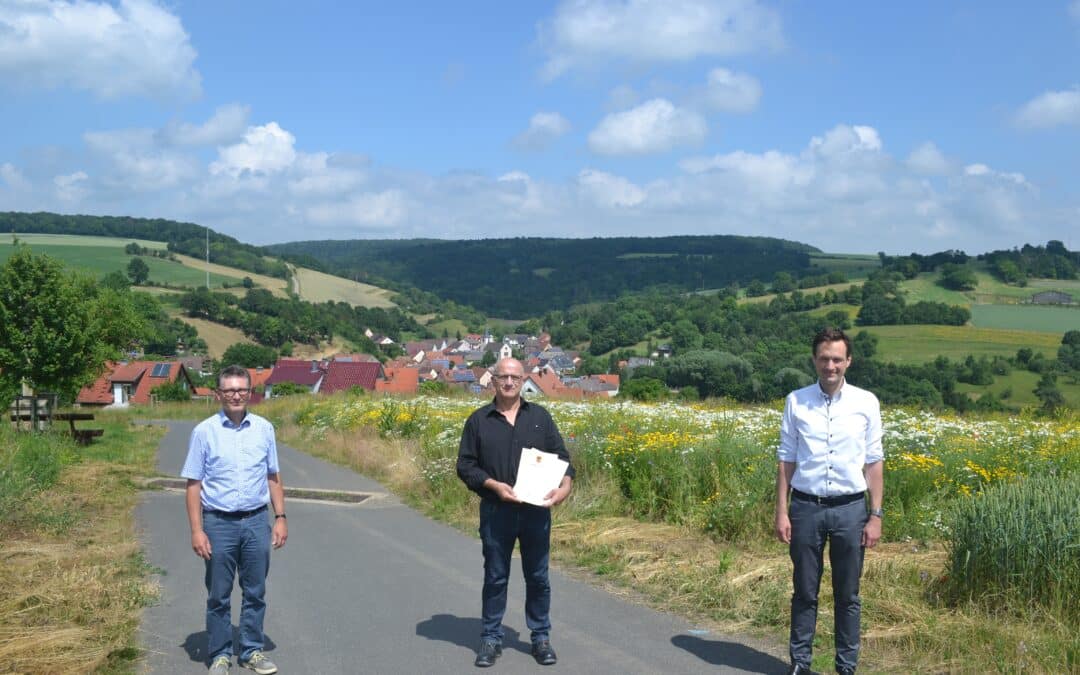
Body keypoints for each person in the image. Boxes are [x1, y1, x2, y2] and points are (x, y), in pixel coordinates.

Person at [774, 328, 884, 675]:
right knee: (804, 591)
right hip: (805, 509)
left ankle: (846, 667)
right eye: (824, 358)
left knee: (847, 596)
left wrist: (875, 515)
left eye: (837, 359)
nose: (830, 365)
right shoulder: (796, 401)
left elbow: (874, 461)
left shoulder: (866, 402)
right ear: (814, 360)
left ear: (848, 361)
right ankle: (800, 664)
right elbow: (786, 459)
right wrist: (781, 510)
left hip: (852, 510)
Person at [457, 358, 574, 668]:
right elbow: (465, 466)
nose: (508, 382)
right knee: (496, 577)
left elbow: (563, 459)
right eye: (502, 377)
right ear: (493, 380)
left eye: (514, 377)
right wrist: (493, 485)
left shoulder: (540, 417)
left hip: (536, 512)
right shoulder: (478, 421)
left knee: (538, 577)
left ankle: (541, 638)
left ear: (524, 380)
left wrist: (564, 489)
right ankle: (491, 638)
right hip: (497, 511)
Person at [182, 364, 288, 675]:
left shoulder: (264, 429)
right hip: (218, 524)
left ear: (250, 392)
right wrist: (197, 530)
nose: (236, 395)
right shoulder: (204, 432)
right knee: (219, 594)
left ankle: (252, 651)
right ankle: (220, 654)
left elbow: (273, 476)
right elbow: (193, 484)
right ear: (218, 394)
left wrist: (280, 516)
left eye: (242, 389)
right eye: (229, 390)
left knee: (256, 591)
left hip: (256, 521)